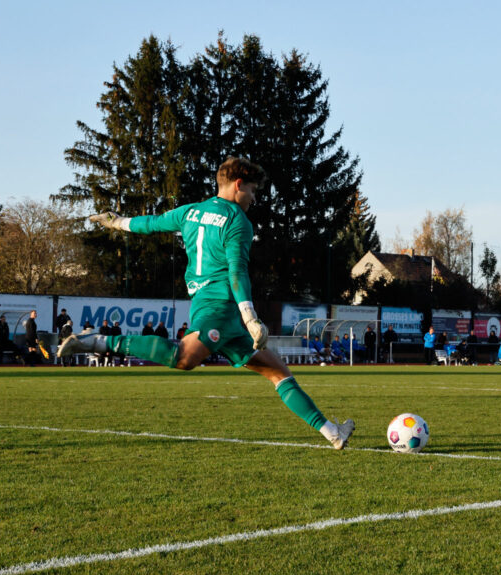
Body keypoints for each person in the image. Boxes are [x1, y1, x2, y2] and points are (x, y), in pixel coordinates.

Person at [58, 156, 354, 449]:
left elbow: (152, 223)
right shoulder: (238, 220)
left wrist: (118, 222)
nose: (253, 197)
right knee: (184, 358)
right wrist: (251, 317)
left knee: (278, 372)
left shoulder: (191, 211)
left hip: (209, 307)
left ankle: (332, 433)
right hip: (221, 308)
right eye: (252, 190)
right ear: (239, 185)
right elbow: (236, 272)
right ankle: (96, 342)